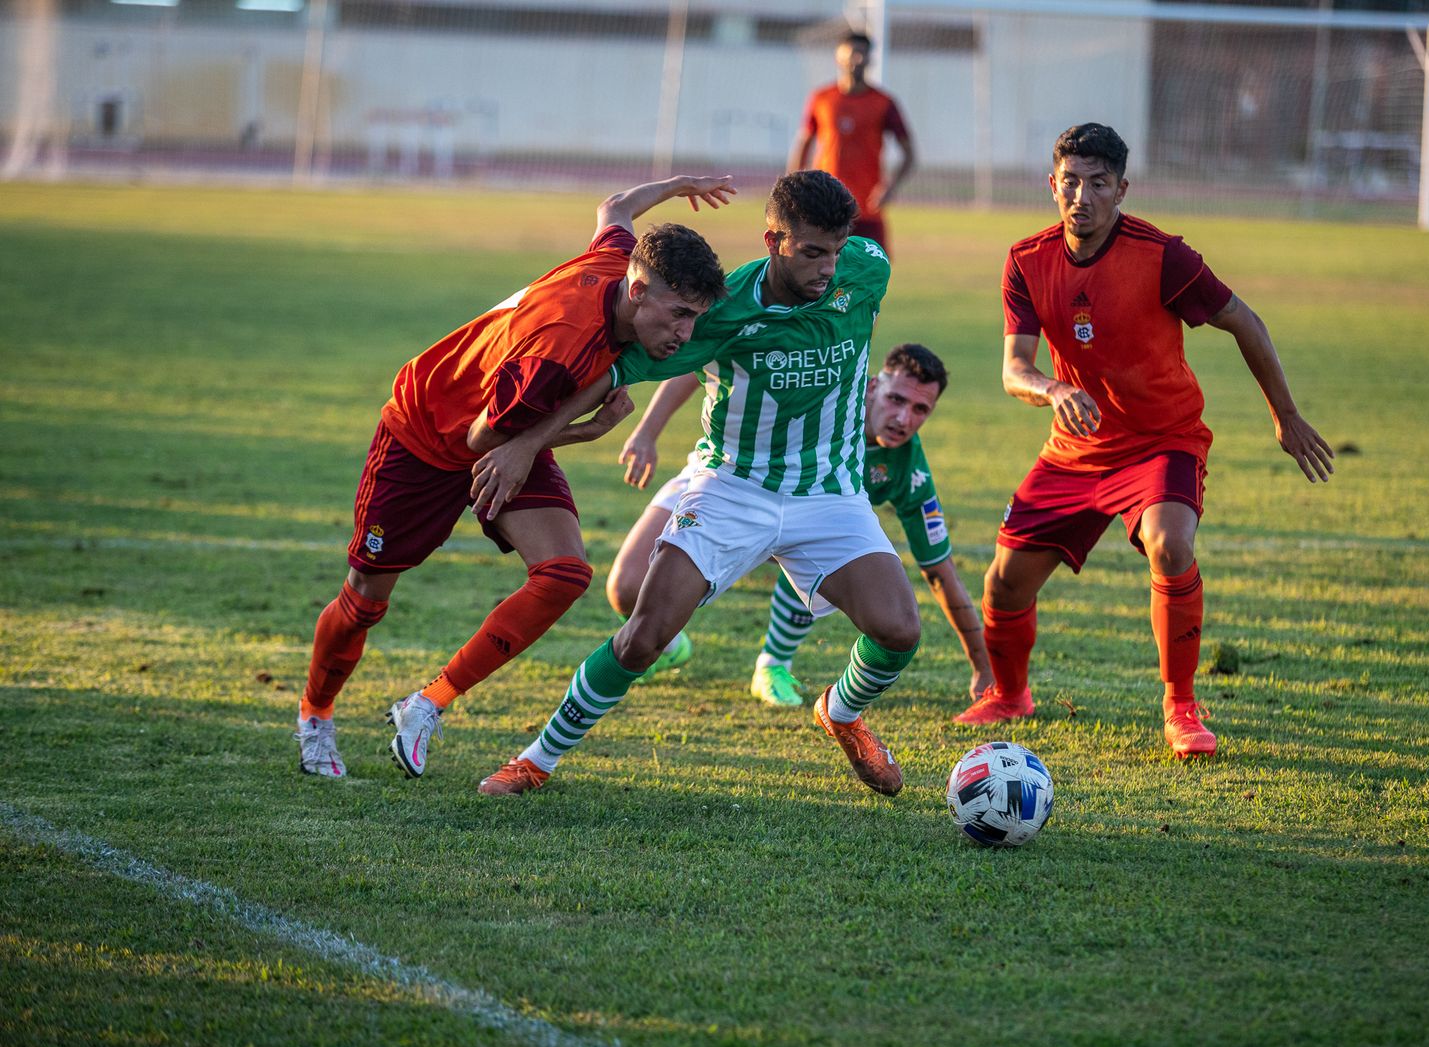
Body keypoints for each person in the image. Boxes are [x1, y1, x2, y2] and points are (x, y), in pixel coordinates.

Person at [477, 170, 920, 798]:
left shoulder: (867, 269)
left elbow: (852, 272)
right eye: (811, 251)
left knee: (899, 631)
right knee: (645, 635)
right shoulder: (723, 311)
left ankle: (840, 713)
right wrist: (526, 442)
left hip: (830, 492)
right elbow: (616, 372)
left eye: (837, 248)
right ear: (773, 239)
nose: (827, 267)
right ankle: (537, 759)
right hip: (732, 489)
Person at [293, 175, 734, 779]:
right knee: (366, 600)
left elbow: (616, 205)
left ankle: (426, 705)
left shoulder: (614, 260)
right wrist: (584, 431)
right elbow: (485, 443)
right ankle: (316, 715)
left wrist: (677, 185)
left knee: (564, 573)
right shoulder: (557, 353)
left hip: (511, 428)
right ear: (637, 291)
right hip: (426, 436)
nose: (685, 336)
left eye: (695, 319)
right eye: (679, 315)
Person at [957, 123, 1334, 759]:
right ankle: (1011, 694)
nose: (1082, 196)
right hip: (1076, 448)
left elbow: (1244, 321)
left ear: (1121, 190)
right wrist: (1053, 390)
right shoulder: (1026, 261)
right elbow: (1013, 370)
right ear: (1053, 185)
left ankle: (1182, 706)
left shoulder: (1164, 257)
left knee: (1170, 540)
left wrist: (1286, 414)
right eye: (1070, 182)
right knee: (1003, 586)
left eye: (1098, 184)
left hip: (1164, 440)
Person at [606, 343, 993, 706]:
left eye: (920, 410)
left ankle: (774, 663)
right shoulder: (828, 392)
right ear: (872, 386)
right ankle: (670, 648)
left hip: (799, 518)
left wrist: (983, 667)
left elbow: (940, 570)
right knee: (625, 587)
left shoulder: (908, 468)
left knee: (822, 546)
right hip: (723, 479)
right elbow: (710, 355)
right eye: (896, 399)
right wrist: (646, 433)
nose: (903, 418)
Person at [789, 30, 915, 256]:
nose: (858, 59)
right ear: (839, 57)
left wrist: (889, 187)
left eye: (863, 54)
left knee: (872, 272)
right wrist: (794, 188)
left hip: (866, 206)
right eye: (853, 53)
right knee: (820, 274)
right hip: (825, 204)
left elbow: (909, 152)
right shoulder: (822, 99)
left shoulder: (883, 102)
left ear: (870, 59)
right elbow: (803, 143)